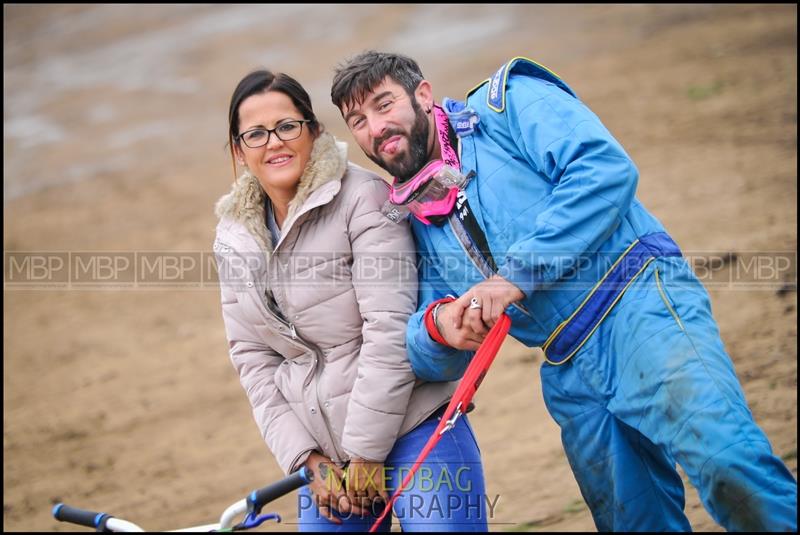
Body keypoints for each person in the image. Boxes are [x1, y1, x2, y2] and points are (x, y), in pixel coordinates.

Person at [330, 51, 798, 531]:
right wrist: (441, 328)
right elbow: (425, 349)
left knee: (728, 466)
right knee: (632, 522)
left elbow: (603, 171)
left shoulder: (506, 104)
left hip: (637, 302)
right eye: (358, 120)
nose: (375, 128)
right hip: (565, 364)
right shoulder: (412, 216)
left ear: (423, 95)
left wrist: (514, 275)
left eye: (384, 104)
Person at [214, 69, 489, 532]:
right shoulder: (233, 237)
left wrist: (365, 452)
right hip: (327, 463)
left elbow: (389, 328)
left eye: (287, 126)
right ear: (239, 150)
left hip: (413, 427)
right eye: (255, 134)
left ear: (313, 130)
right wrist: (306, 459)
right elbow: (252, 359)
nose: (274, 143)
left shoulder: (364, 199)